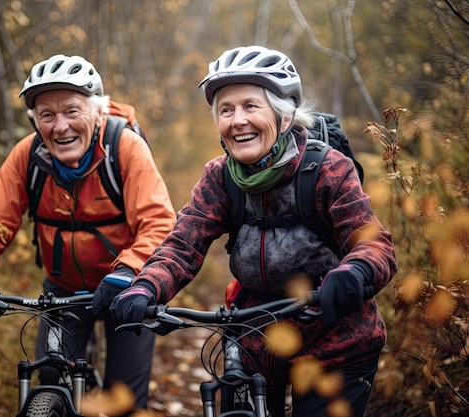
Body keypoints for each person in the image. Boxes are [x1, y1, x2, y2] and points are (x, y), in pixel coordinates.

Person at [110, 46, 397, 417]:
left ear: (283, 114)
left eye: (250, 106)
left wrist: (354, 272)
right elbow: (183, 243)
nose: (237, 120)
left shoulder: (327, 169)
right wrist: (146, 286)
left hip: (335, 340)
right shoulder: (219, 176)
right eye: (226, 110)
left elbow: (373, 244)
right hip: (254, 338)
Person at [0, 54, 177, 410]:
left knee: (125, 401)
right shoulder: (28, 155)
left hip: (130, 289)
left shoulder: (126, 147)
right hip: (64, 291)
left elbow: (159, 222)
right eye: (47, 115)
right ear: (35, 121)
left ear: (98, 112)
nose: (60, 126)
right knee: (50, 377)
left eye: (72, 110)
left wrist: (129, 273)